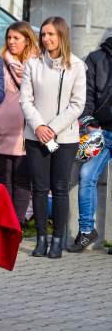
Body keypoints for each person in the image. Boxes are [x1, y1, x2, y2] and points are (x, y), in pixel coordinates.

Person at [20, 16, 86, 259]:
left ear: (62, 36)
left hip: (64, 138)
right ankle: (40, 238)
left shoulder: (77, 66)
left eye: (51, 34)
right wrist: (39, 126)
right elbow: (25, 99)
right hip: (36, 135)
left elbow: (78, 104)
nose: (46, 39)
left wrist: (53, 128)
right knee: (38, 188)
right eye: (44, 34)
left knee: (59, 188)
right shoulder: (33, 63)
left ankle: (57, 240)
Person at [0, 21, 39, 224]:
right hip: (1, 126)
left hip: (25, 129)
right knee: (3, 177)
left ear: (27, 40)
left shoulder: (38, 64)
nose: (11, 42)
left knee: (22, 178)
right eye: (9, 38)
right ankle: (4, 220)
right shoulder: (0, 62)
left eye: (16, 38)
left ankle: (17, 222)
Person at [69, 35, 112, 253]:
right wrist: (89, 122)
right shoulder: (96, 58)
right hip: (101, 132)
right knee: (86, 175)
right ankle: (86, 231)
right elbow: (87, 97)